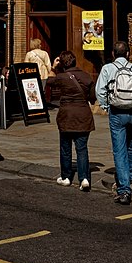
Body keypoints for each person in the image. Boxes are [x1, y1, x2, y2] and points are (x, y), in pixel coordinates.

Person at [96, 40, 132, 205]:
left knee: (119, 150)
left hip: (116, 112)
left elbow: (100, 91)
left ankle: (124, 189)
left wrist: (106, 106)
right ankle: (131, 175)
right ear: (128, 54)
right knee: (131, 142)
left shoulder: (107, 69)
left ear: (112, 54)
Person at [46, 50, 96, 191]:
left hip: (66, 116)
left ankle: (66, 177)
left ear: (62, 63)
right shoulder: (86, 77)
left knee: (65, 147)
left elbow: (49, 82)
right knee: (82, 149)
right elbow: (93, 98)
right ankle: (84, 178)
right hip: (83, 116)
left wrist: (53, 67)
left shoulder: (61, 77)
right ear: (75, 62)